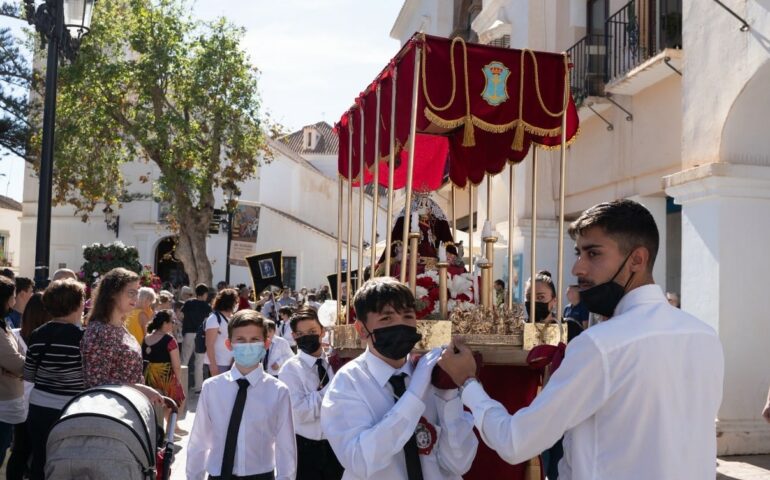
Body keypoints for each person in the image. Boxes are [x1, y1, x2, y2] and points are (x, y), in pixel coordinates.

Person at [438, 199, 725, 479]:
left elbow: (515, 441)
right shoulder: (705, 336)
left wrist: (468, 382)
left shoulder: (600, 345)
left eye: (593, 254)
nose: (577, 268)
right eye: (578, 253)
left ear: (637, 259)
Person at [321, 277, 478, 479]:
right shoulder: (347, 384)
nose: (400, 325)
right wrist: (414, 394)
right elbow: (360, 461)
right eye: (386, 319)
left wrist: (448, 394)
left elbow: (459, 463)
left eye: (407, 317)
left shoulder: (432, 373)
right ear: (361, 329)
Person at [186, 309, 297, 479]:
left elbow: (286, 446)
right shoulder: (212, 388)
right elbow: (199, 441)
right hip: (218, 474)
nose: (248, 345)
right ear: (229, 344)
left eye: (254, 340)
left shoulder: (278, 391)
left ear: (266, 344)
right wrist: (194, 476)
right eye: (241, 340)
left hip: (260, 474)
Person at [23, 279, 86, 480]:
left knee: (40, 459)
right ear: (78, 304)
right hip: (70, 409)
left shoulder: (38, 333)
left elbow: (29, 374)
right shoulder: (83, 337)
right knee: (66, 463)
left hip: (39, 406)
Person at [279, 307, 344, 479]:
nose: (307, 337)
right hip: (306, 448)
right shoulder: (290, 369)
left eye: (312, 331)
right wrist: (336, 387)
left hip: (337, 444)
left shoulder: (335, 362)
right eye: (300, 334)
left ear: (322, 331)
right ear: (294, 336)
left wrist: (316, 398)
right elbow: (300, 412)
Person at [80, 268, 163, 403]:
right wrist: (140, 389)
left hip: (128, 408)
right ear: (113, 293)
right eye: (131, 293)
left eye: (137, 293)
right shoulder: (99, 331)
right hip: (110, 413)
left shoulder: (119, 327)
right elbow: (95, 382)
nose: (135, 298)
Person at [6, 292, 51, 480]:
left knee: (19, 451)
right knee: (39, 454)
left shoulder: (13, 336)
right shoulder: (49, 340)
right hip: (39, 404)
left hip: (19, 404)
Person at [142, 310, 186, 434]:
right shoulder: (169, 340)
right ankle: (170, 430)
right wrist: (177, 380)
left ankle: (173, 427)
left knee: (164, 402)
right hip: (165, 376)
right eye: (171, 322)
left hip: (148, 376)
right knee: (178, 400)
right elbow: (176, 365)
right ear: (165, 323)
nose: (172, 325)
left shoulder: (146, 338)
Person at [0, 276, 25, 466]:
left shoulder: (4, 323)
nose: (15, 300)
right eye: (13, 296)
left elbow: (18, 356)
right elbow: (17, 363)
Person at [181, 283, 212, 393]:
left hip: (189, 333)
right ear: (204, 294)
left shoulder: (189, 303)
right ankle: (198, 387)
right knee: (199, 362)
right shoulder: (207, 307)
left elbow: (181, 316)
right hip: (200, 335)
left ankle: (181, 386)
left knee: (184, 361)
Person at [203, 288, 238, 378]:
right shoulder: (214, 319)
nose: (237, 303)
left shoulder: (233, 318)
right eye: (235, 301)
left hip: (233, 363)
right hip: (219, 364)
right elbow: (209, 344)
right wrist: (213, 365)